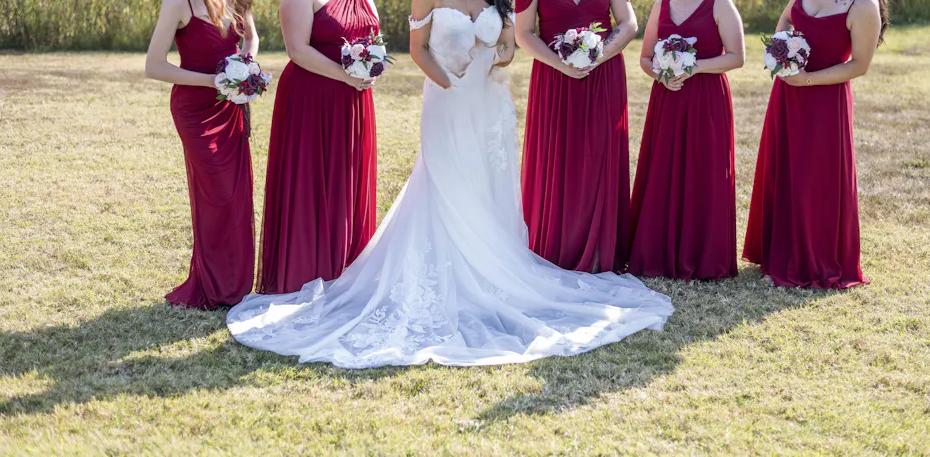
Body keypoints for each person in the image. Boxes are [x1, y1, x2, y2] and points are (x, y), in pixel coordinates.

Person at [224, 0, 673, 369]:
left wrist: (495, 56)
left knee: (487, 185)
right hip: (446, 100)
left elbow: (509, 46)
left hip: (488, 102)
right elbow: (418, 49)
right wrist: (449, 83)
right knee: (447, 181)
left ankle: (492, 264)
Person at [743, 0, 888, 288]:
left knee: (815, 178)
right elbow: (786, 19)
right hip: (787, 93)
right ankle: (779, 252)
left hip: (826, 102)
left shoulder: (863, 6)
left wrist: (807, 80)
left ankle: (814, 260)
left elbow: (860, 65)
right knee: (784, 170)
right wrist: (782, 54)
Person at [255, 0, 381, 294]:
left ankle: (347, 265)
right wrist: (346, 76)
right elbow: (297, 50)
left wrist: (372, 69)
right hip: (312, 99)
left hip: (354, 100)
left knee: (346, 179)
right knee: (310, 179)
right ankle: (308, 267)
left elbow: (374, 41)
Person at [145, 0, 259, 310]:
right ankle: (213, 285)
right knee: (217, 192)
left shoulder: (236, 0)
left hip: (230, 106)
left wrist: (243, 69)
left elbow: (251, 38)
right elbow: (154, 66)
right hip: (195, 109)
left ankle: (235, 285)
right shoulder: (177, 4)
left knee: (236, 193)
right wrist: (213, 80)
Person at [514, 0, 640, 273]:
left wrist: (596, 56)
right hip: (554, 76)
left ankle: (600, 251)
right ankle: (554, 246)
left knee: (599, 155)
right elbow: (523, 34)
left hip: (603, 73)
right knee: (559, 157)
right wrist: (561, 64)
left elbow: (629, 24)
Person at [628, 0, 744, 280]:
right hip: (668, 98)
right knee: (664, 170)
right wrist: (660, 76)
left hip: (707, 100)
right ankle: (658, 252)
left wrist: (693, 66)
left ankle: (703, 255)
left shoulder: (720, 5)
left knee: (704, 172)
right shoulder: (661, 5)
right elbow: (645, 58)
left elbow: (736, 57)